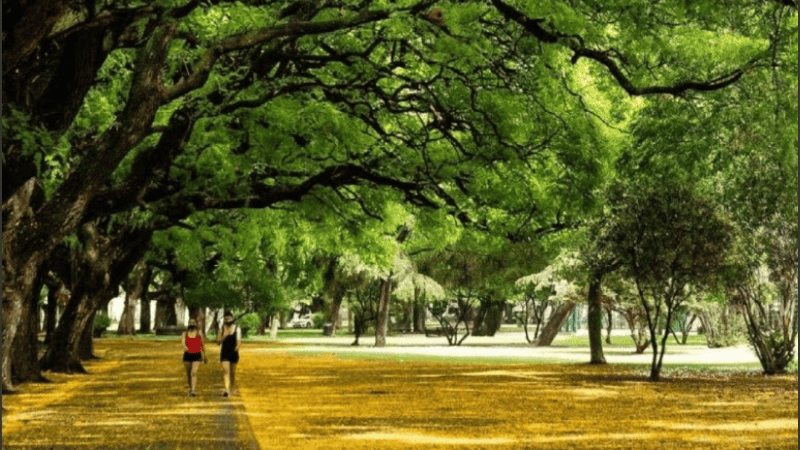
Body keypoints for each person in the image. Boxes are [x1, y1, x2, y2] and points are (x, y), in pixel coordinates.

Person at [216, 312, 241, 397]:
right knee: (226, 371)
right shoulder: (222, 329)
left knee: (232, 372)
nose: (228, 320)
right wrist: (224, 335)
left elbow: (239, 340)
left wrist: (237, 346)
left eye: (229, 318)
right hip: (224, 352)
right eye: (226, 319)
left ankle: (232, 387)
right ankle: (226, 389)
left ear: (232, 319)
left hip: (233, 352)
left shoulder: (237, 328)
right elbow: (218, 342)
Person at [182, 324, 206, 397]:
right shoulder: (185, 334)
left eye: (193, 322)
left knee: (194, 372)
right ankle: (190, 388)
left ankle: (193, 389)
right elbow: (183, 343)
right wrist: (185, 347)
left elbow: (202, 345)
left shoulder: (199, 334)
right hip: (187, 355)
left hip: (197, 355)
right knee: (189, 373)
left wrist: (204, 356)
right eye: (191, 322)